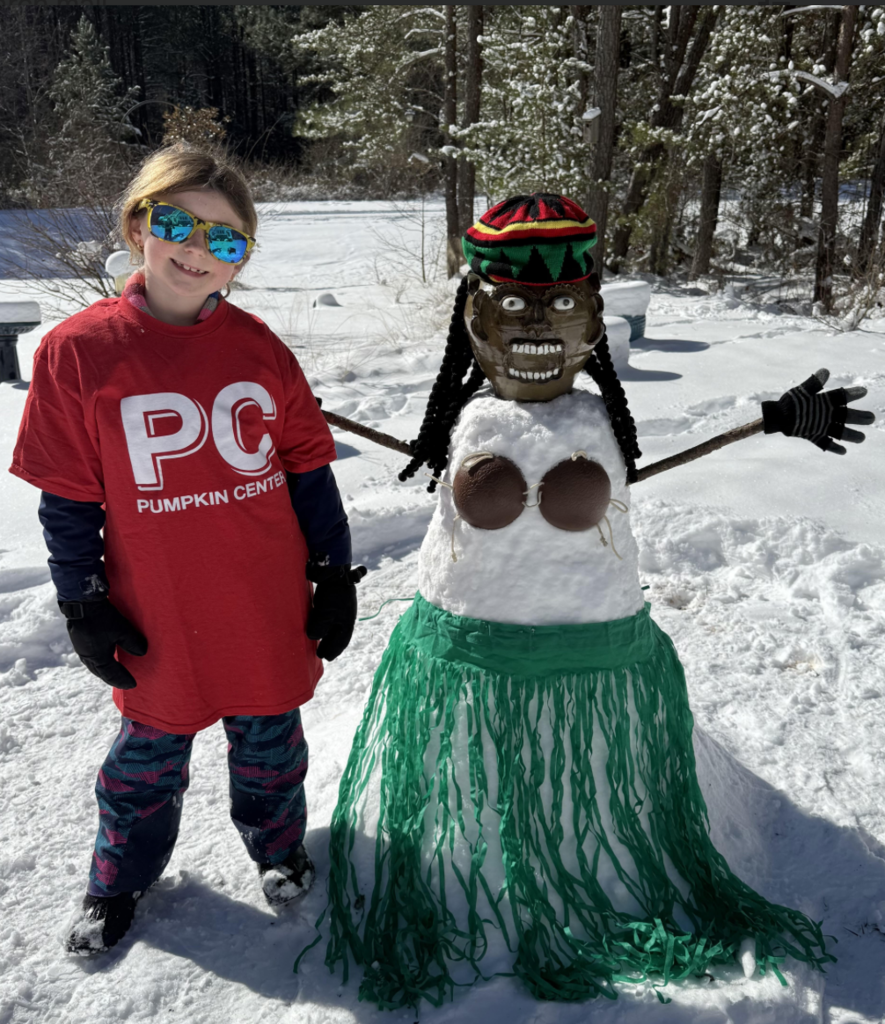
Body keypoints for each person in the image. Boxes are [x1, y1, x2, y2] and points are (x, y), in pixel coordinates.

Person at [323, 194, 872, 1008]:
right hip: (464, 666)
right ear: (473, 314)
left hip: (601, 670)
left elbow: (633, 471)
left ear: (591, 318)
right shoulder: (471, 420)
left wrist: (771, 419)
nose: (536, 325)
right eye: (511, 303)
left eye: (560, 302)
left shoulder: (595, 422)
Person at [9, 144, 364, 955]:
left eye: (225, 238)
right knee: (144, 760)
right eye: (177, 224)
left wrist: (332, 573)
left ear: (241, 258)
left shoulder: (259, 347)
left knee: (271, 748)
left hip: (263, 601)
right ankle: (119, 877)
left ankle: (277, 850)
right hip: (157, 610)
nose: (198, 249)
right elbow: (67, 496)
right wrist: (82, 599)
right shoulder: (78, 351)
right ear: (139, 225)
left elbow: (307, 470)